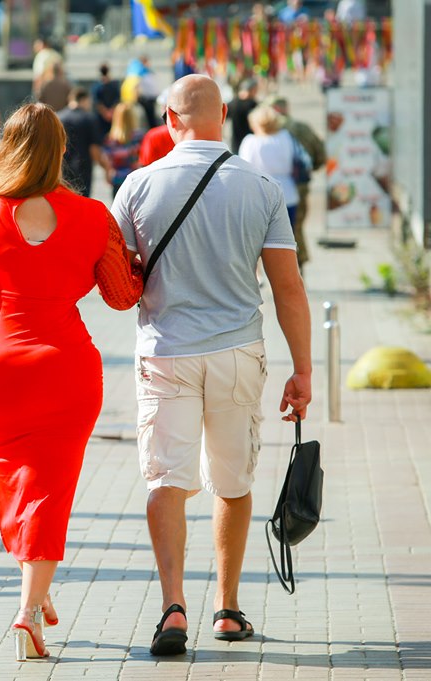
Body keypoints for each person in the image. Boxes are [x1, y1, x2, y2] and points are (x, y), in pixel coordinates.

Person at [110, 74, 311, 655]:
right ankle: (227, 608)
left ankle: (173, 608)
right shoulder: (261, 186)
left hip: (165, 352)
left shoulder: (138, 185)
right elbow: (288, 288)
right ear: (223, 115)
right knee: (232, 480)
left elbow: (114, 274)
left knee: (165, 481)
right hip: (237, 351)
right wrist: (303, 369)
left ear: (169, 119)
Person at [0, 102, 143, 661]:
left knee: (17, 487)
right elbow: (122, 296)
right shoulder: (94, 216)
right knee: (50, 491)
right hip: (63, 367)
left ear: (5, 145)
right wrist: (138, 262)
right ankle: (28, 611)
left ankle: (37, 582)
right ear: (62, 150)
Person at [269, 95, 325, 270]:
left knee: (278, 231)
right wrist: (308, 171)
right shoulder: (303, 128)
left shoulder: (272, 130)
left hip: (276, 186)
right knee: (297, 226)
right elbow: (321, 154)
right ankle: (299, 265)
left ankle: (288, 267)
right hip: (300, 185)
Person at [238, 105, 300, 233]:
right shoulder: (286, 137)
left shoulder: (250, 142)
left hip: (259, 197)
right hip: (287, 193)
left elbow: (244, 170)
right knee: (286, 238)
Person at [57, 88, 110, 198]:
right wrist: (106, 167)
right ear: (85, 100)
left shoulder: (58, 117)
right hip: (82, 172)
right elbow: (95, 150)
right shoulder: (89, 118)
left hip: (60, 171)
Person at [104, 103, 145, 196]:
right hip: (135, 179)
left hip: (117, 179)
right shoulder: (139, 136)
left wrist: (107, 173)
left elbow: (108, 160)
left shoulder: (110, 139)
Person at [226, 78, 258, 154]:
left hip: (235, 144)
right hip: (250, 145)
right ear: (252, 90)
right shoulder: (253, 105)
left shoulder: (232, 104)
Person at [91, 63, 122, 138]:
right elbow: (117, 100)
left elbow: (97, 101)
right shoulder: (114, 85)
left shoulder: (97, 85)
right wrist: (110, 112)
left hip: (101, 116)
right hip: (113, 115)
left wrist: (105, 113)